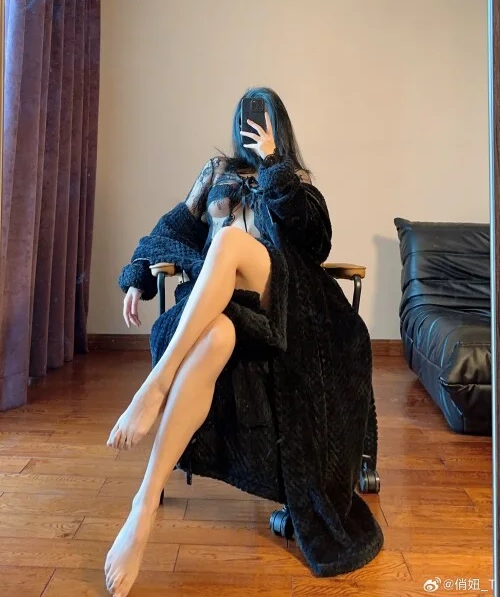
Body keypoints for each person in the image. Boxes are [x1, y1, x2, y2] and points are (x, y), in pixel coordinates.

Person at [104, 87, 383, 597]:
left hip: (279, 300)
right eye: (247, 119)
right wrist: (138, 276)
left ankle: (155, 385)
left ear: (279, 126)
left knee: (232, 241)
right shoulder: (215, 175)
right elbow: (170, 229)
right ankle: (142, 509)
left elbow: (316, 243)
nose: (253, 125)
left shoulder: (294, 180)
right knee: (216, 337)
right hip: (221, 308)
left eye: (265, 118)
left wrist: (273, 163)